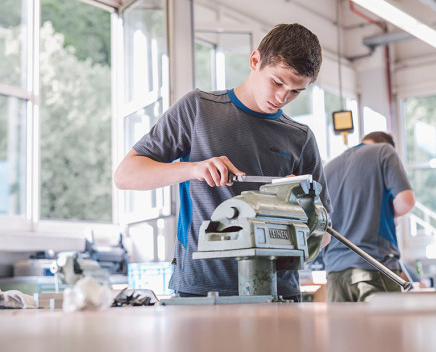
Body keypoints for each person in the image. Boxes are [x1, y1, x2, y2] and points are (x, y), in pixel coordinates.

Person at [114, 23, 332, 301]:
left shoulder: (300, 138)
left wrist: (297, 207)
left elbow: (323, 235)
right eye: (277, 82)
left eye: (295, 91)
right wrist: (193, 169)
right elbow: (125, 175)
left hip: (278, 294)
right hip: (201, 289)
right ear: (255, 61)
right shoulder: (198, 109)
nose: (282, 98)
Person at [322, 131, 415, 302]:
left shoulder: (328, 167)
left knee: (344, 329)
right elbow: (406, 201)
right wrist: (386, 214)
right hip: (374, 267)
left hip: (335, 275)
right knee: (387, 329)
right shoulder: (384, 151)